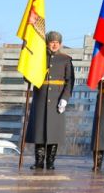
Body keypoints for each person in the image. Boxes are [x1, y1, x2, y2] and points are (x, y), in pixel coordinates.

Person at [25, 31, 75, 170]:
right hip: (40, 98)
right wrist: (26, 62)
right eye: (52, 42)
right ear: (47, 43)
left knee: (54, 133)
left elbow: (70, 81)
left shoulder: (65, 59)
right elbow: (28, 77)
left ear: (60, 44)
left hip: (57, 99)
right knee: (39, 132)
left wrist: (64, 99)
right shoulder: (39, 57)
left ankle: (51, 162)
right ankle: (39, 162)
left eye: (57, 43)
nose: (54, 45)